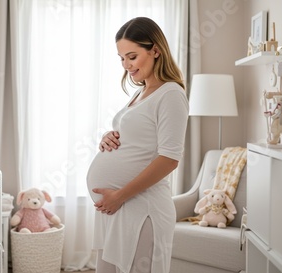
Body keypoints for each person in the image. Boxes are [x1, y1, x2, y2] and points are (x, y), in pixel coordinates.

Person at [86, 17, 189, 273]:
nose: (126, 65)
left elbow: (169, 158)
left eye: (132, 56)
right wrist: (108, 137)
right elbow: (139, 139)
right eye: (121, 58)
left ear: (155, 50)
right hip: (118, 207)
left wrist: (119, 196)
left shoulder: (171, 94)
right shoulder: (141, 92)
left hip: (142, 209)